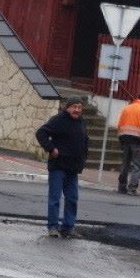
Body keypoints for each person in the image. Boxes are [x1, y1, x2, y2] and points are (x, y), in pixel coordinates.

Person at [35, 97, 89, 238]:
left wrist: (83, 160)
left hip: (73, 168)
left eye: (79, 107)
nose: (77, 110)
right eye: (74, 107)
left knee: (72, 198)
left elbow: (84, 142)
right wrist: (51, 149)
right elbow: (41, 133)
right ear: (67, 108)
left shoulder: (81, 122)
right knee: (55, 198)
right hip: (58, 166)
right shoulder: (58, 120)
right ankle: (53, 227)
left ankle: (68, 228)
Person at [117, 91, 140, 195]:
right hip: (138, 141)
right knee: (138, 165)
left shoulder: (127, 108)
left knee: (125, 163)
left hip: (124, 139)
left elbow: (119, 124)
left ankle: (121, 187)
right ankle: (132, 189)